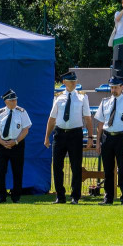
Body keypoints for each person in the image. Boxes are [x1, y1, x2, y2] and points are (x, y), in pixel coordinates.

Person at [44, 71, 94, 204]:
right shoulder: (58, 97)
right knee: (57, 166)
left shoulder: (82, 97)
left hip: (75, 134)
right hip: (60, 134)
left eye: (75, 81)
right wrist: (47, 137)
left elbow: (88, 118)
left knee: (76, 166)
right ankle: (60, 196)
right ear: (64, 82)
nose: (73, 83)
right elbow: (52, 118)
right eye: (70, 81)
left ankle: (75, 196)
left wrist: (90, 137)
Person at [94, 76, 123, 204]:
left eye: (116, 87)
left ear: (122, 87)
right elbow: (100, 123)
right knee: (108, 169)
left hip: (122, 137)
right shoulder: (105, 102)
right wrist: (98, 142)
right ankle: (108, 197)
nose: (113, 90)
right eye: (112, 87)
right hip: (107, 137)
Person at [0, 89, 31, 203]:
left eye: (15, 100)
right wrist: (1, 141)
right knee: (0, 171)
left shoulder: (22, 112)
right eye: (12, 100)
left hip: (17, 144)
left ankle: (16, 196)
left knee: (17, 171)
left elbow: (25, 129)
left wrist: (16, 141)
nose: (14, 102)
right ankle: (1, 196)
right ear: (6, 101)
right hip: (3, 145)